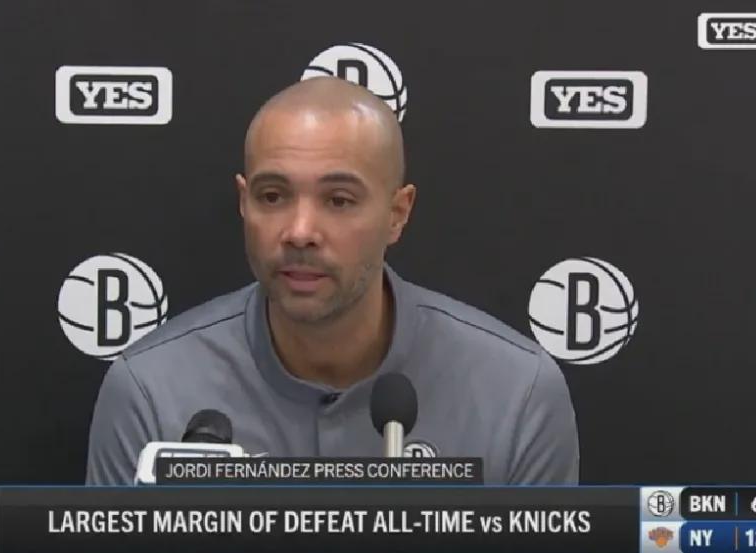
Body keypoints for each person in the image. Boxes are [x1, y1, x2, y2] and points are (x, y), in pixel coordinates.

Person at [86, 76, 579, 484]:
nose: (300, 231)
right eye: (273, 196)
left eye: (339, 200)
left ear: (397, 213)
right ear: (243, 202)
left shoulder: (517, 394)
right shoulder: (151, 391)